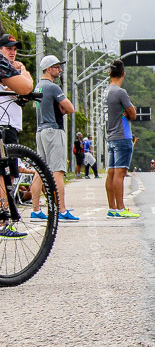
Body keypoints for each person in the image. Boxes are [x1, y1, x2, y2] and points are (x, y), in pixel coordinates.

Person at [29, 55, 78, 222]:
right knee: (58, 171)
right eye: (57, 67)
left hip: (40, 131)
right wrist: (62, 110)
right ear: (48, 69)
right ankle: (62, 210)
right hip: (54, 130)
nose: (60, 70)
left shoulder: (38, 87)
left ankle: (35, 210)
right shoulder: (53, 87)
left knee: (39, 171)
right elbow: (70, 108)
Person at [0, 34, 33, 240]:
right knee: (3, 173)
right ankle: (4, 219)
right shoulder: (6, 67)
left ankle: (5, 218)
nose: (12, 52)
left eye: (15, 49)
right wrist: (24, 72)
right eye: (8, 48)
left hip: (10, 124)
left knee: (9, 174)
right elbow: (26, 88)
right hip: (4, 124)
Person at [104, 59, 139, 218]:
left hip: (110, 136)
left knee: (111, 173)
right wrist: (128, 111)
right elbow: (133, 114)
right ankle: (121, 208)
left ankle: (112, 207)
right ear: (123, 74)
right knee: (121, 173)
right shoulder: (120, 92)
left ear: (109, 73)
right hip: (122, 136)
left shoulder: (106, 91)